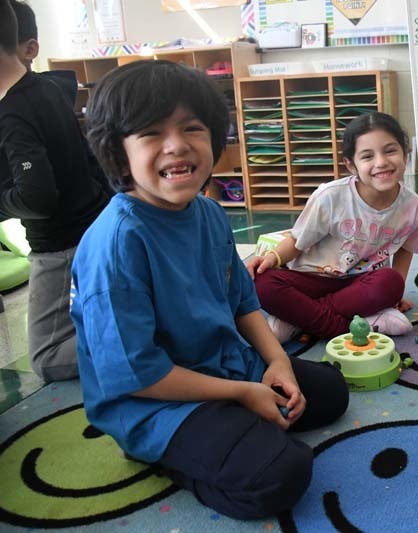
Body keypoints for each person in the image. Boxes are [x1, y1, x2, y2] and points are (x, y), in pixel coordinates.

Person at [71, 60, 349, 519]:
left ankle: (235, 421)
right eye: (151, 133)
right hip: (152, 402)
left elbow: (243, 301)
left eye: (192, 128)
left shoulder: (209, 212)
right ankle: (166, 459)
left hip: (221, 365)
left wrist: (278, 361)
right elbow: (139, 375)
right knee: (280, 474)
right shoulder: (117, 243)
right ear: (119, 154)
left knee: (331, 392)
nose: (176, 145)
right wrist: (241, 394)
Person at [247, 111, 418, 342]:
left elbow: (406, 248)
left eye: (390, 150)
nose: (381, 162)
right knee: (261, 282)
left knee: (391, 282)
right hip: (311, 279)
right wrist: (272, 258)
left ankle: (299, 319)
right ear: (351, 165)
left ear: (406, 153)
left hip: (358, 284)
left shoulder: (412, 207)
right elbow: (297, 241)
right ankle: (356, 324)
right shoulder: (330, 197)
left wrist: (395, 294)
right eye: (367, 156)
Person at [0, 0, 108, 381]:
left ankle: (152, 343)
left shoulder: (12, 111)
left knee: (47, 357)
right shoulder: (46, 88)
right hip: (91, 222)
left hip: (60, 245)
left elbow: (38, 198)